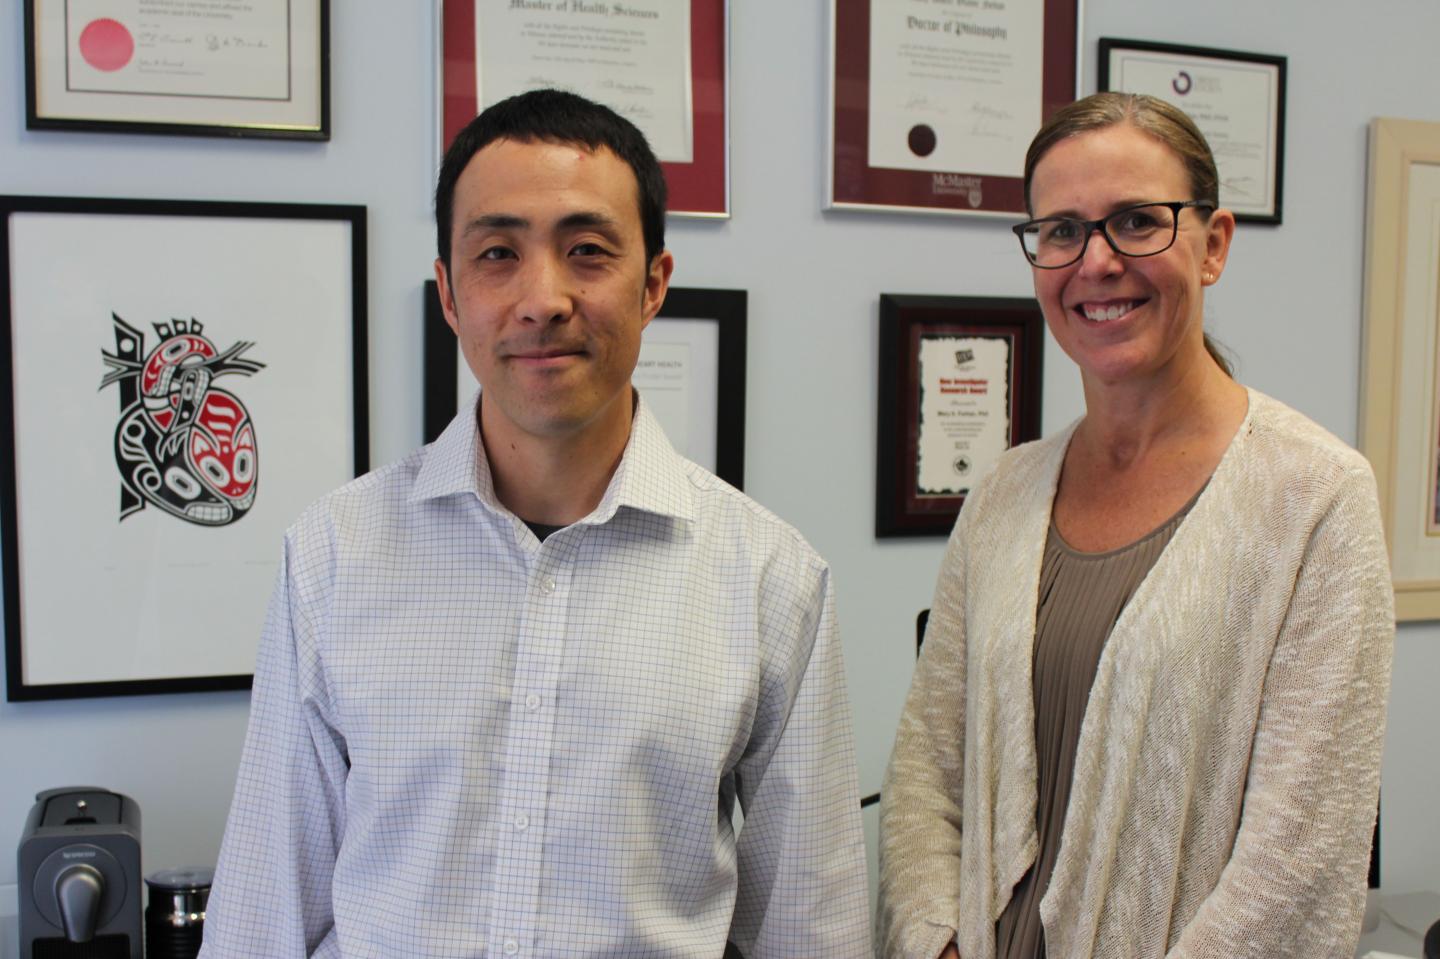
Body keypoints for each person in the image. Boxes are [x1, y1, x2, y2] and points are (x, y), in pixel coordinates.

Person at [201, 89, 871, 958]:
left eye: (587, 251)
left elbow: (811, 924)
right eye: (497, 254)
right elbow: (266, 907)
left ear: (653, 285)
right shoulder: (335, 554)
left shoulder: (770, 580)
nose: (542, 297)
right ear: (448, 293)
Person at [876, 92, 1394, 959]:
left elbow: (1300, 865)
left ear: (1214, 243)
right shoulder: (1004, 493)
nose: (1097, 262)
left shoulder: (1316, 498)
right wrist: (937, 943)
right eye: (1063, 231)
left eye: (1137, 222)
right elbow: (928, 772)